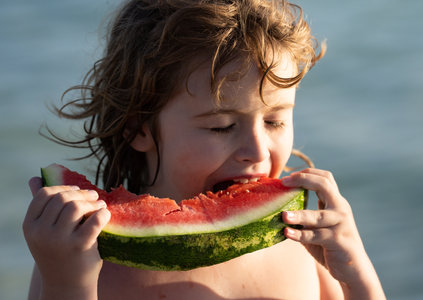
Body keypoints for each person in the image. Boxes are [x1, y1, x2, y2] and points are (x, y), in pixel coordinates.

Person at [23, 0, 386, 299]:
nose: (257, 150)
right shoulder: (79, 263)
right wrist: (67, 285)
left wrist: (357, 275)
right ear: (139, 128)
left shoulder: (305, 256)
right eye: (221, 126)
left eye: (274, 121)